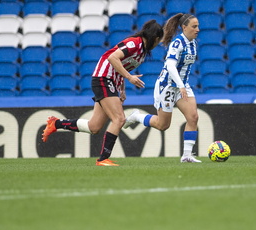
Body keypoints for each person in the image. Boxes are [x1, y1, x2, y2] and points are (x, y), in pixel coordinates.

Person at [41, 20, 164, 166]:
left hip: (110, 81)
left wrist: (122, 89)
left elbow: (122, 67)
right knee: (119, 119)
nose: (157, 44)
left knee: (94, 127)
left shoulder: (142, 53)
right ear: (155, 38)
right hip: (103, 78)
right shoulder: (134, 43)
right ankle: (103, 159)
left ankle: (56, 123)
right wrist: (129, 77)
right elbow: (113, 58)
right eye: (158, 41)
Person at [123, 13, 201, 163]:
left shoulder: (193, 43)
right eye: (194, 26)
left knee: (193, 117)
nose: (197, 29)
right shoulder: (177, 43)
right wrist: (180, 85)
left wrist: (182, 86)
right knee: (162, 125)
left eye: (198, 26)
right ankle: (136, 116)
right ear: (184, 27)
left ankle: (186, 155)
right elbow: (170, 65)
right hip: (168, 86)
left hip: (182, 86)